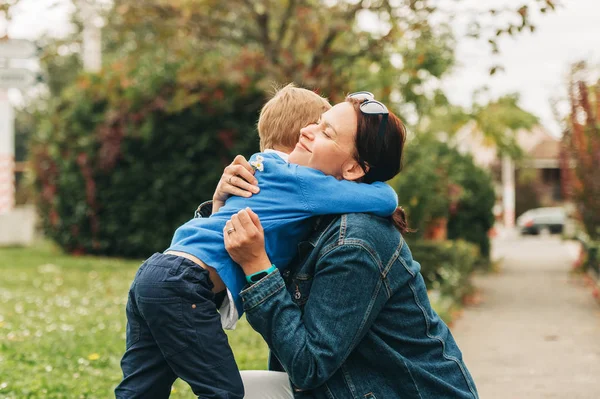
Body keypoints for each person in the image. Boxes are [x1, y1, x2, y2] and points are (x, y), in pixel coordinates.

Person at [114, 85, 399, 399]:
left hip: (155, 272)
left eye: (324, 132)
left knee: (141, 388)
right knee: (222, 391)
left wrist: (217, 203)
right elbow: (384, 198)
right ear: (300, 139)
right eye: (320, 128)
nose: (312, 133)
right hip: (183, 285)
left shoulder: (258, 169)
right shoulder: (298, 181)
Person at [210, 92, 479, 398]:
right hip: (350, 388)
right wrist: (221, 205)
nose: (305, 131)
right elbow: (203, 285)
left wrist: (257, 267)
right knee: (230, 389)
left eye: (326, 132)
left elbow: (308, 367)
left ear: (352, 169)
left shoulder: (355, 241)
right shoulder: (306, 218)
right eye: (317, 123)